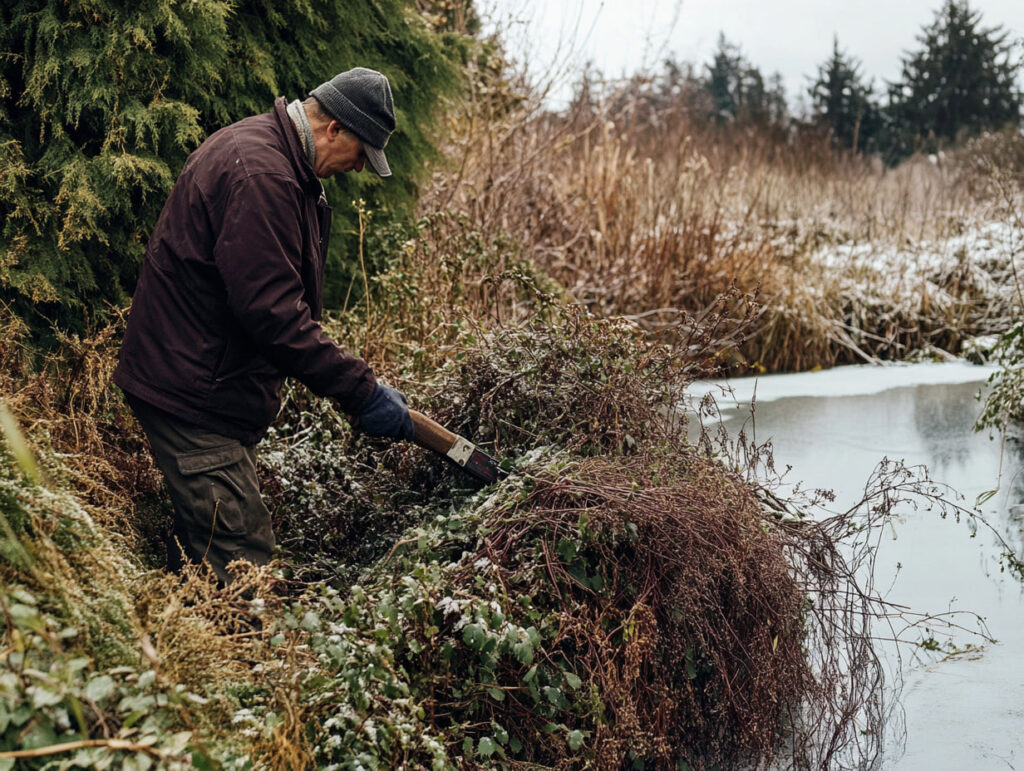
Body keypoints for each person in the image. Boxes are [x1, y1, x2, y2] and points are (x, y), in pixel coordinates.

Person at [114, 68, 413, 585]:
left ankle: (169, 652)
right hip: (193, 395)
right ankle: (227, 664)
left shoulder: (279, 162)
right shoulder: (263, 176)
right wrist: (360, 392)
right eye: (362, 154)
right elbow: (273, 315)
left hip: (203, 381)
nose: (359, 169)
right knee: (241, 559)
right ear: (334, 129)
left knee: (200, 558)